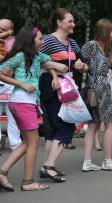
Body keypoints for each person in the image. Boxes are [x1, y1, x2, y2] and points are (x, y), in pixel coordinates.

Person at [0, 25, 67, 191]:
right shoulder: (21, 56)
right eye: (40, 38)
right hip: (22, 102)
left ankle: (2, 173)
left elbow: (47, 61)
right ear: (31, 40)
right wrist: (20, 83)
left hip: (23, 103)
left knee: (27, 142)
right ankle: (28, 182)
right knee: (34, 142)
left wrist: (56, 69)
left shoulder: (36, 56)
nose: (42, 41)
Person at [39, 8, 88, 182]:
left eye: (74, 21)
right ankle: (49, 166)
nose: (73, 24)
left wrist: (81, 66)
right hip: (52, 85)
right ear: (59, 22)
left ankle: (46, 166)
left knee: (53, 127)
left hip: (67, 85)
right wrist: (55, 67)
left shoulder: (72, 43)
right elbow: (36, 60)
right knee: (65, 125)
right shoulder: (47, 40)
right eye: (70, 21)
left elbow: (81, 62)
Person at [81, 19, 112, 172]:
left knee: (94, 125)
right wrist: (81, 66)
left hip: (97, 88)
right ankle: (107, 161)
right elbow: (79, 61)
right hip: (98, 88)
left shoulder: (105, 49)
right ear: (105, 31)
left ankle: (88, 162)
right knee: (109, 123)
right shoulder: (92, 45)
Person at [0, 18, 22, 150]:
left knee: (13, 114)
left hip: (10, 82)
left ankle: (16, 144)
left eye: (2, 29)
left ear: (11, 30)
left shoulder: (15, 42)